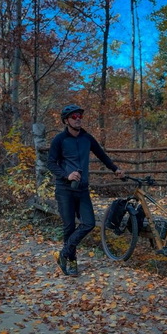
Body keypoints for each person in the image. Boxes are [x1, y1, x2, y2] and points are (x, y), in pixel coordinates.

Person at [47, 104, 123, 276]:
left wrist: (115, 169)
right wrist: (67, 175)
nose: (78, 118)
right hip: (64, 189)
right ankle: (72, 261)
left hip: (82, 190)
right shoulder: (59, 140)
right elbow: (50, 163)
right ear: (66, 120)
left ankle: (64, 254)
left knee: (88, 223)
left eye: (79, 115)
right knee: (69, 226)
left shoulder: (87, 138)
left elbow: (101, 155)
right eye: (74, 117)